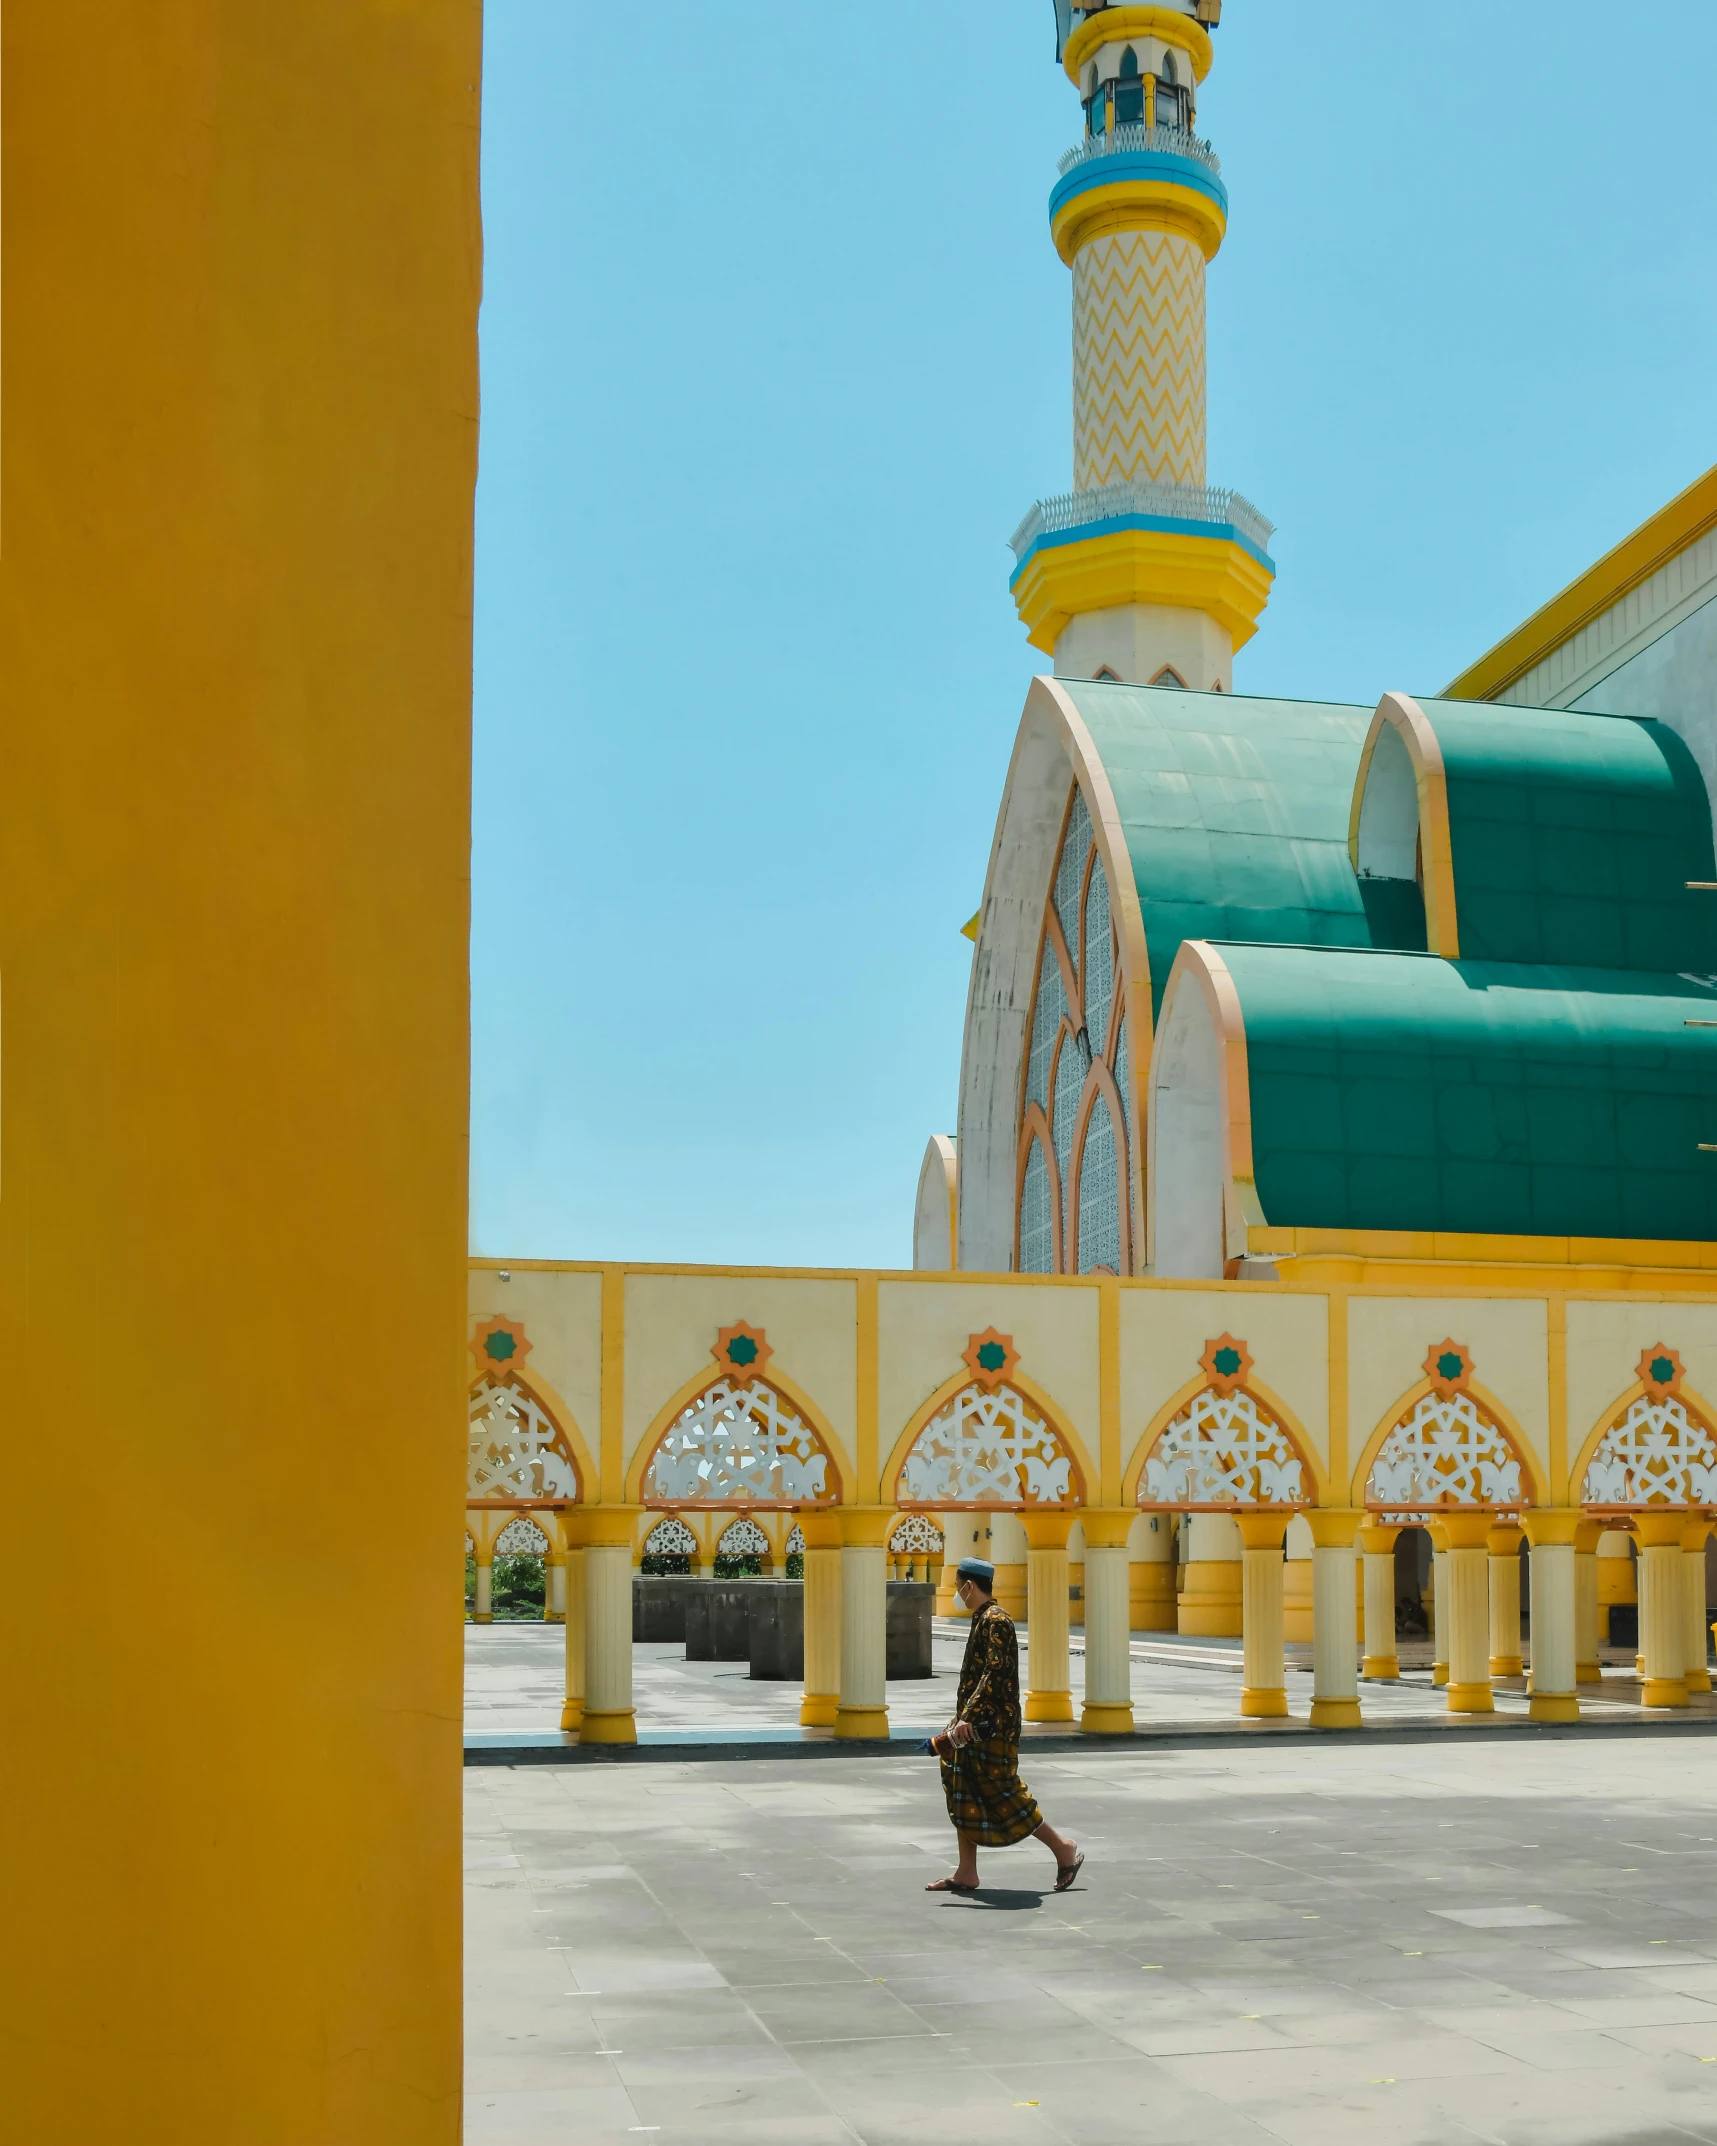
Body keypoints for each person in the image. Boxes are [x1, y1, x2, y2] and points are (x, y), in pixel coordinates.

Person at [925, 1557, 1083, 1895]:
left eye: (957, 1586)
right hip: (973, 1722)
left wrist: (967, 1715)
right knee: (962, 1786)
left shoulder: (997, 1620)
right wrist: (960, 1718)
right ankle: (967, 1871)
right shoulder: (982, 1618)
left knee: (1003, 1791)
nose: (956, 1593)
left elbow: (994, 1673)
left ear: (969, 1586)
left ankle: (1062, 1847)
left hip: (991, 1726)